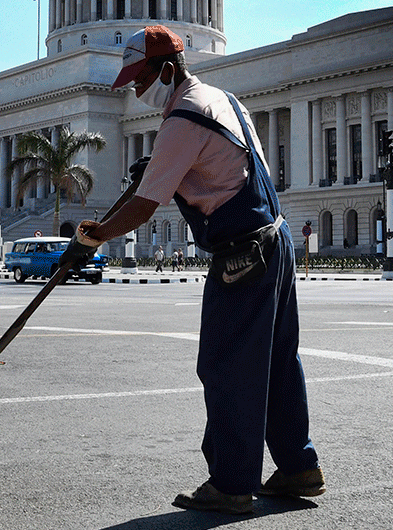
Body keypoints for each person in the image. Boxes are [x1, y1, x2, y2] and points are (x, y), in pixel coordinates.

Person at [58, 25, 322, 514]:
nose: (136, 92)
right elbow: (218, 170)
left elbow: (143, 206)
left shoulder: (182, 116)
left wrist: (96, 236)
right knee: (278, 360)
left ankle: (231, 483)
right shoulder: (224, 100)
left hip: (243, 252)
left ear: (166, 69)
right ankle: (298, 466)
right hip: (276, 238)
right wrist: (160, 168)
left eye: (140, 80)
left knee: (227, 366)